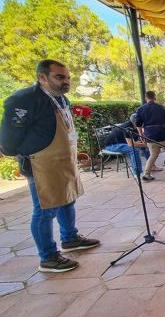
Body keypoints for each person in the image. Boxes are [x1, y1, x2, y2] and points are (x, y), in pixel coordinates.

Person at [0, 59, 100, 272]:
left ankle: (70, 238)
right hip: (41, 164)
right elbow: (9, 138)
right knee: (45, 209)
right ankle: (48, 256)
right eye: (60, 77)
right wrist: (15, 151)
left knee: (67, 200)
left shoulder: (61, 99)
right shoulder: (24, 100)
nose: (66, 82)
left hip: (63, 161)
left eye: (68, 77)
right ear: (42, 77)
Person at [135, 91, 165, 181]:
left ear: (146, 98)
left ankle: (146, 174)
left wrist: (141, 135)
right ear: (155, 97)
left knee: (153, 155)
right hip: (163, 134)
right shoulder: (162, 107)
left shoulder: (141, 109)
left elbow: (138, 124)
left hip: (150, 135)